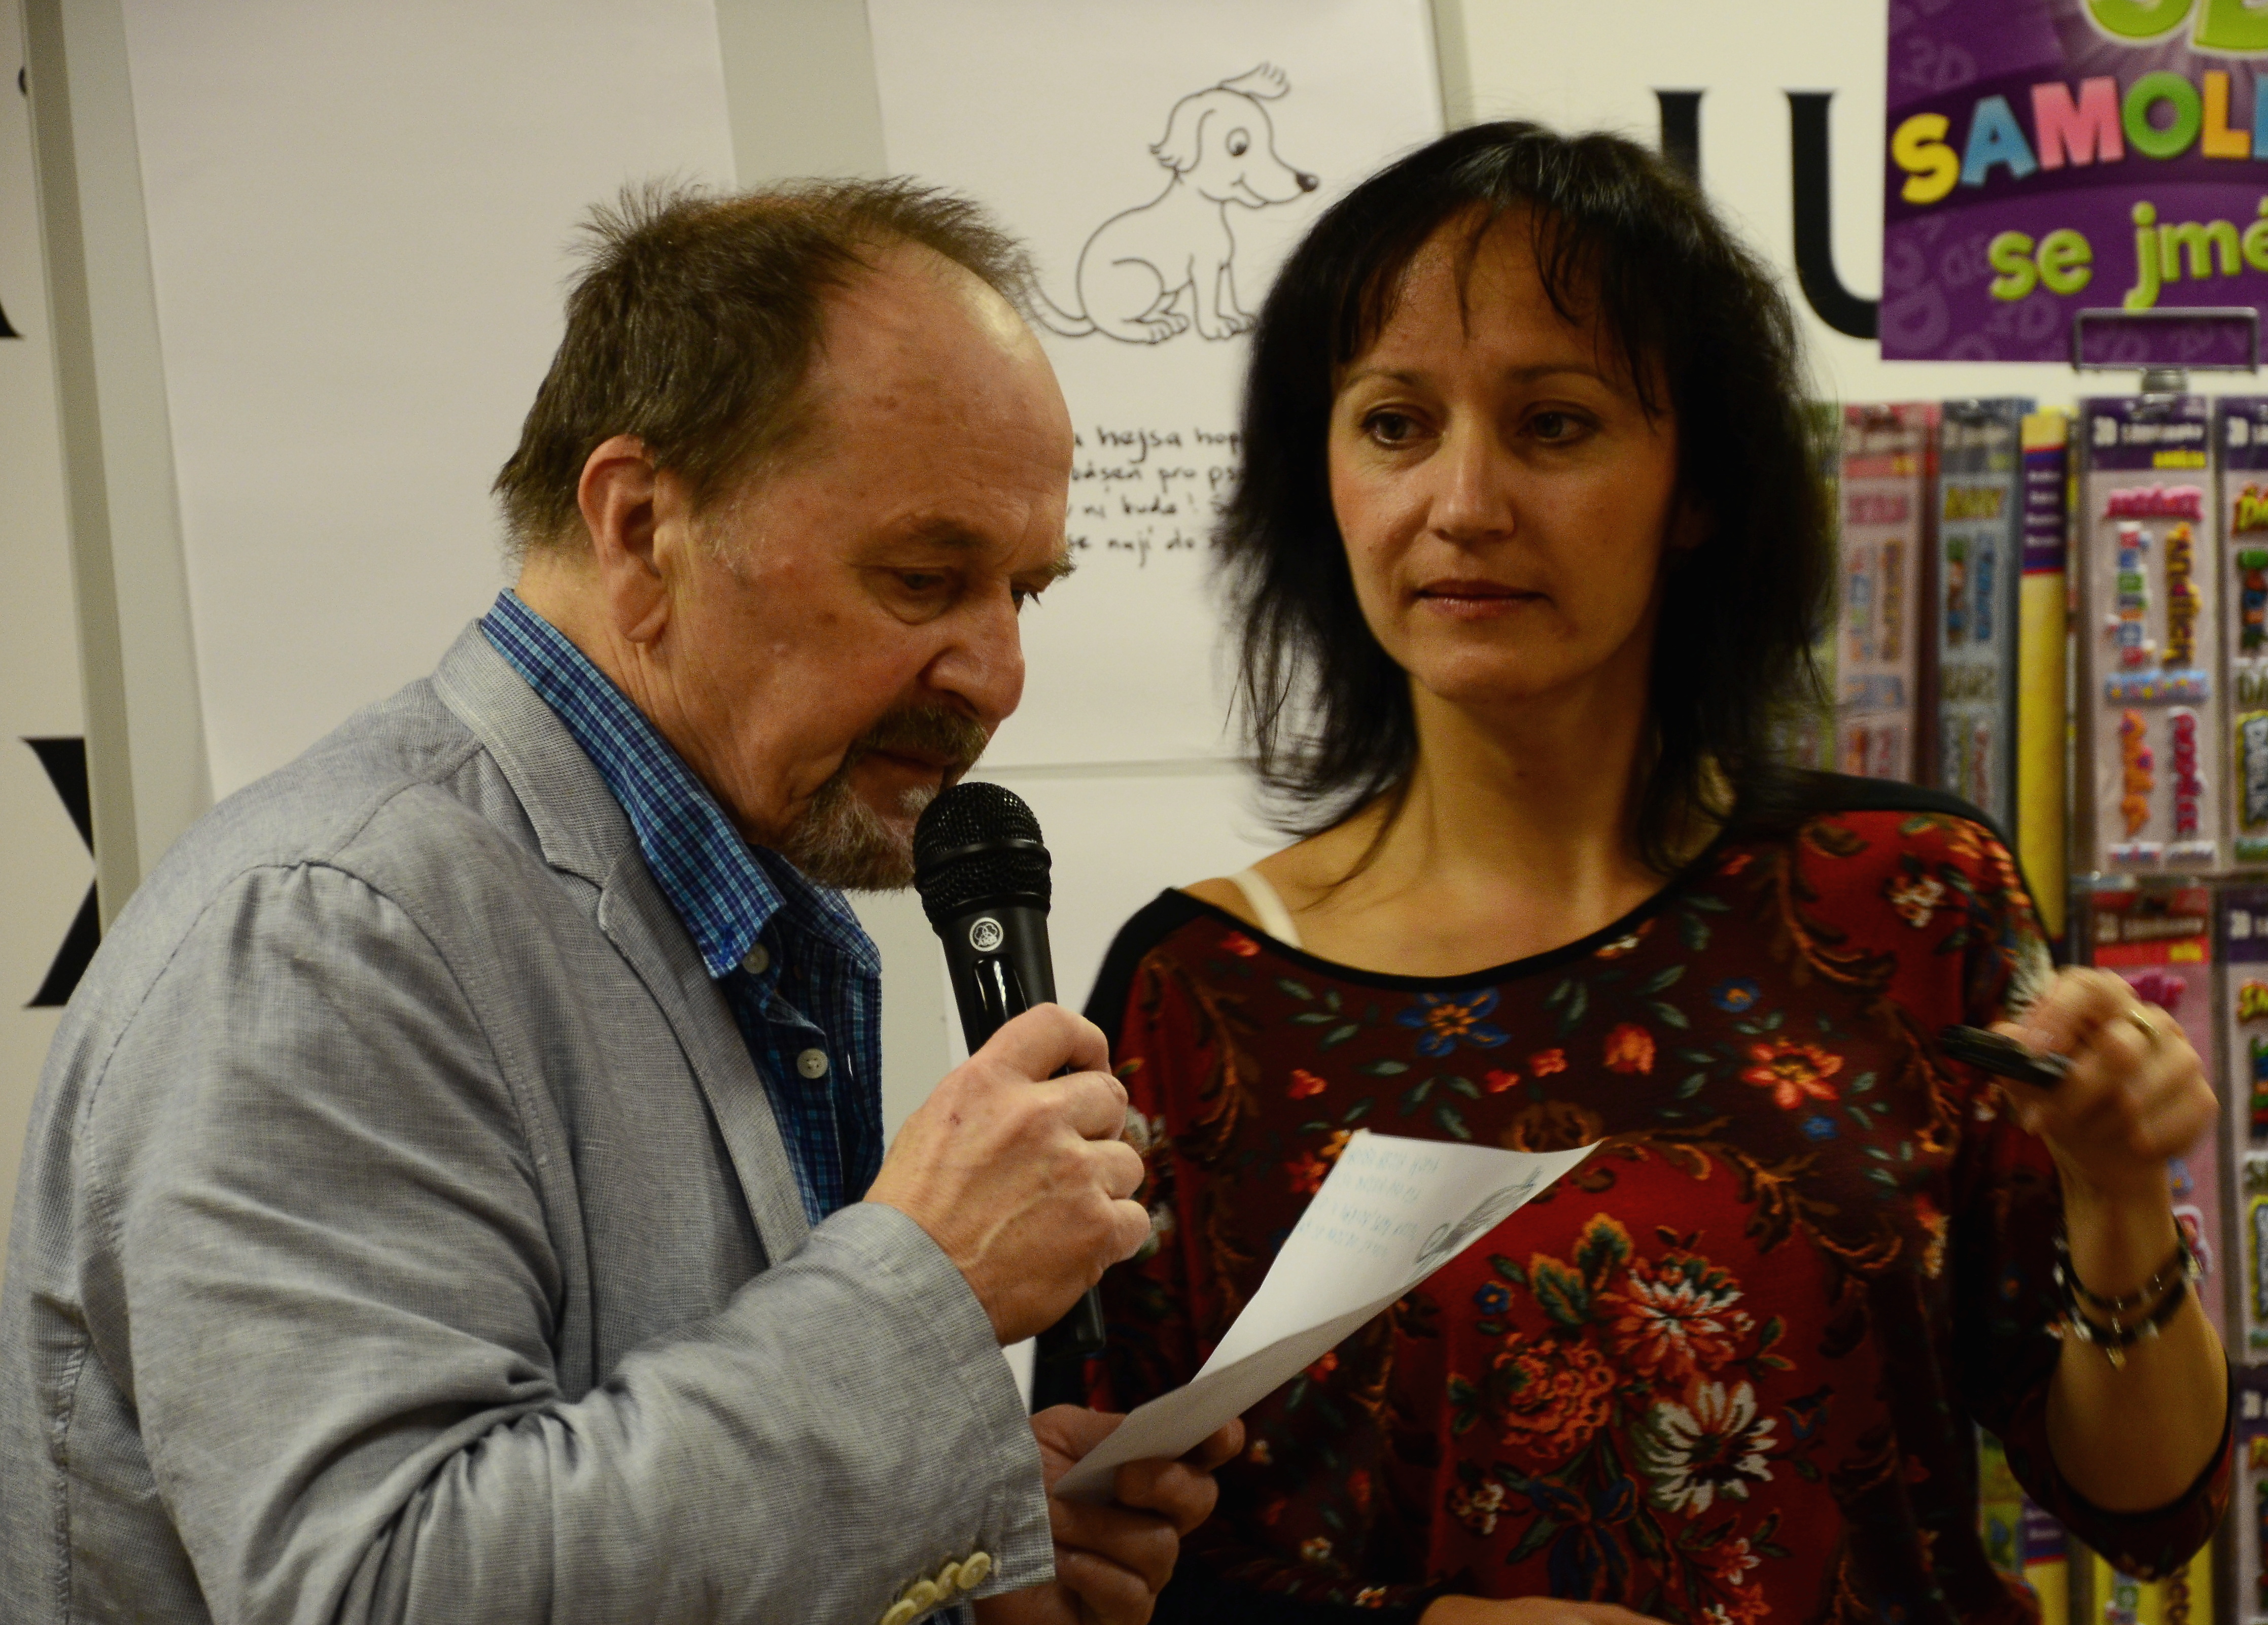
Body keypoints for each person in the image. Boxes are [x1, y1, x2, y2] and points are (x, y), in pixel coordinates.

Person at [0, 180, 1238, 1625]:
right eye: (923, 578)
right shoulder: (325, 935)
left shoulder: (712, 874)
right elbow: (390, 1591)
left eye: (1025, 592)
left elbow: (623, 1466)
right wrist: (931, 1285)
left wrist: (940, 1533)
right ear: (644, 527)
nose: (999, 675)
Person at [1079, 125, 2229, 1623]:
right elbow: (1102, 1559)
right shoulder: (1197, 994)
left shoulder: (1906, 899)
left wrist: (2120, 1190)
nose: (1464, 501)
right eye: (1395, 424)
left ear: (1698, 488)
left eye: (1554, 424)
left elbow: (2145, 1505)